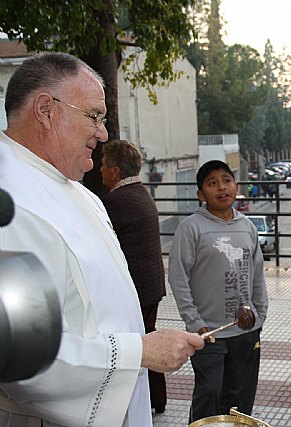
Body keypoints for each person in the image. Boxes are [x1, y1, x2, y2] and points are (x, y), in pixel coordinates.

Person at [0, 52, 204, 426]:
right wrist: (138, 352)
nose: (103, 133)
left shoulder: (80, 192)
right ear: (45, 110)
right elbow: (19, 351)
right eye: (94, 116)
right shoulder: (10, 199)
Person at [168, 160, 268, 421]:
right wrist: (194, 322)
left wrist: (260, 315)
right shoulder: (191, 228)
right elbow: (178, 278)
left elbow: (258, 273)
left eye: (226, 180)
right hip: (209, 334)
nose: (221, 187)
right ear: (201, 194)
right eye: (212, 183)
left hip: (246, 331)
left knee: (241, 397)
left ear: (236, 186)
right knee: (209, 393)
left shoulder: (247, 227)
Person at [100, 139, 168, 414]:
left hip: (135, 288)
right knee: (147, 337)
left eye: (104, 164)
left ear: (115, 171)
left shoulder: (114, 202)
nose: (100, 170)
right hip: (150, 284)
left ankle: (144, 401)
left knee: (136, 345)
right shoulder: (140, 193)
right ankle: (157, 400)